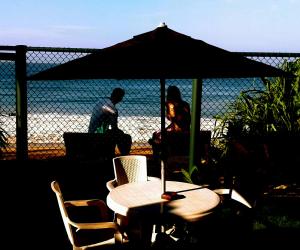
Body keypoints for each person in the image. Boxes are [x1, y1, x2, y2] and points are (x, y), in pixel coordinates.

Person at [149, 85, 191, 158]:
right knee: (158, 135)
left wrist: (169, 107)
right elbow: (185, 121)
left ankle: (156, 157)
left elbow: (171, 118)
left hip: (176, 133)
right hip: (186, 131)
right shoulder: (185, 104)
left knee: (155, 135)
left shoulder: (170, 104)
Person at [88, 87, 132, 155]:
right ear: (120, 98)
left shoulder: (102, 101)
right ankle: (124, 155)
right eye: (121, 97)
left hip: (92, 132)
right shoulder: (113, 109)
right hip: (99, 134)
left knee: (117, 134)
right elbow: (114, 128)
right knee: (126, 137)